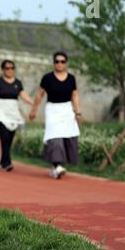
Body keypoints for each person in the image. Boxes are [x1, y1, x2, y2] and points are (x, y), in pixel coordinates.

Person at [29, 51, 83, 179]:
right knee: (54, 137)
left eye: (62, 61)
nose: (60, 64)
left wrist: (78, 112)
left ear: (66, 63)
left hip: (67, 110)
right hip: (52, 110)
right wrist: (34, 110)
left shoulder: (71, 78)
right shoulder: (47, 78)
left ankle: (56, 167)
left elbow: (75, 95)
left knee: (67, 137)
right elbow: (40, 94)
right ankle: (58, 165)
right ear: (54, 63)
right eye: (57, 61)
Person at [0, 60, 33, 172]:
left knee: (10, 138)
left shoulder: (18, 83)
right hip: (1, 111)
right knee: (4, 136)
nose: (9, 70)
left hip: (13, 112)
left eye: (12, 68)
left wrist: (34, 103)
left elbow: (24, 95)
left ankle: (3, 161)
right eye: (7, 68)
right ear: (3, 69)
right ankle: (7, 163)